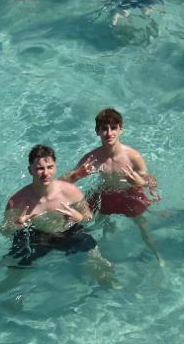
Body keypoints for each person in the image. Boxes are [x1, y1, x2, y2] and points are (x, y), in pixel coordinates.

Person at [64, 108, 161, 261]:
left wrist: (139, 182)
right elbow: (62, 182)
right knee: (82, 225)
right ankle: (101, 256)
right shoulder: (92, 158)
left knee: (143, 226)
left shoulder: (132, 156)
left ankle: (158, 257)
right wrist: (77, 175)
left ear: (121, 129)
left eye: (113, 128)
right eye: (104, 128)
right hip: (105, 194)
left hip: (130, 194)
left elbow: (151, 180)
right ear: (97, 131)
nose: (109, 133)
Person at [0, 145, 103, 270]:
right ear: (30, 170)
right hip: (37, 238)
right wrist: (17, 225)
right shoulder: (17, 201)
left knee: (96, 257)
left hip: (68, 233)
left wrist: (79, 217)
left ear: (55, 167)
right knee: (11, 265)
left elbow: (88, 217)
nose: (45, 173)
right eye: (39, 168)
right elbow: (4, 230)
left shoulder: (70, 191)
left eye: (50, 167)